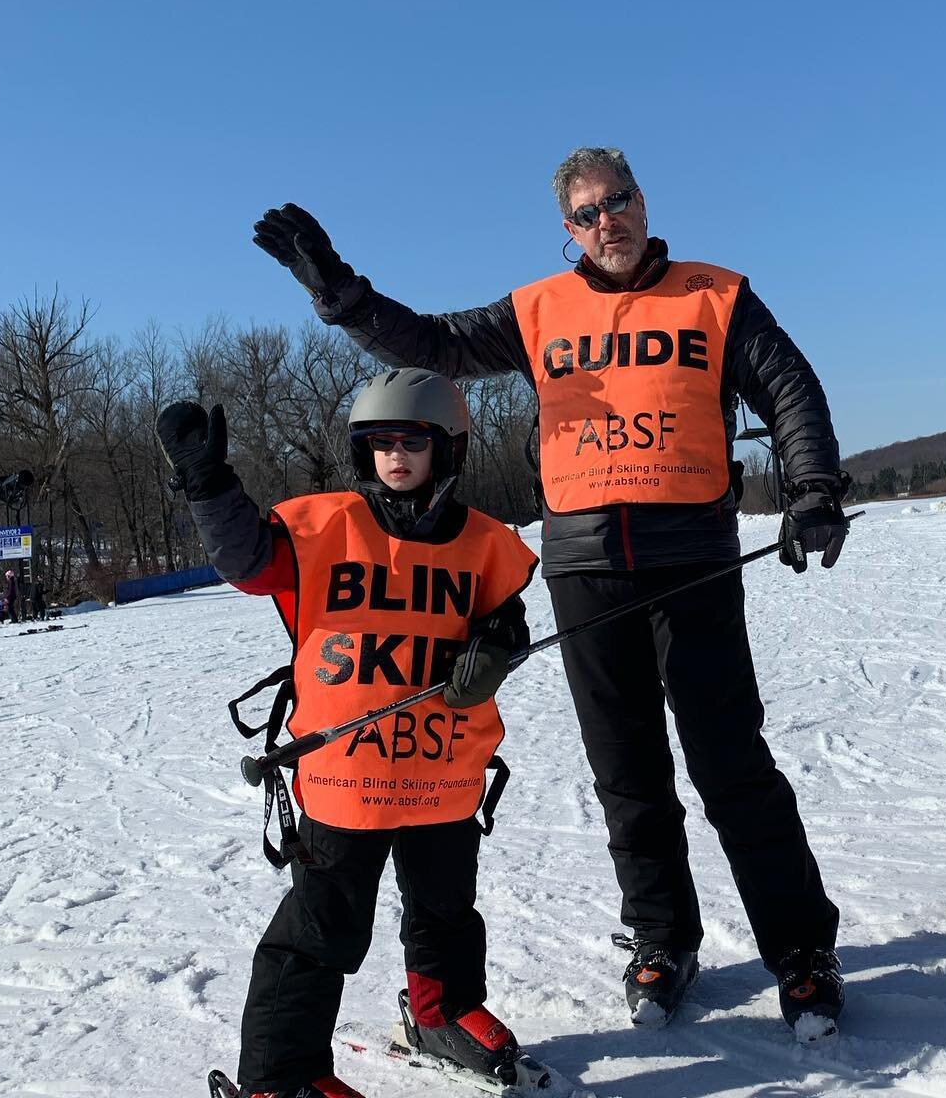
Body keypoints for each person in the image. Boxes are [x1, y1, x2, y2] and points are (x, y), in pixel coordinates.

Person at [253, 146, 850, 1039]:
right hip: (583, 567)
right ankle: (661, 939)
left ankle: (801, 950)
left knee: (732, 763)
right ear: (567, 230)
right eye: (586, 212)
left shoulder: (715, 293)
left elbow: (789, 388)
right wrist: (339, 294)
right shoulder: (538, 309)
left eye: (619, 201)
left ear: (644, 203)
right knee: (627, 770)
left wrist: (812, 487)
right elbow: (431, 343)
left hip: (694, 562)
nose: (607, 220)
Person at [157, 369, 540, 1098]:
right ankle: (281, 1076)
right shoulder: (321, 526)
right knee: (319, 932)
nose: (397, 455)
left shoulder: (487, 543)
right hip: (346, 778)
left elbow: (506, 622)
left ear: (446, 449)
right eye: (381, 442)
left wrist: (496, 647)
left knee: (447, 910)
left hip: (445, 773)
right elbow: (245, 558)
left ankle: (442, 1010)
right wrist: (207, 483)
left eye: (414, 441)